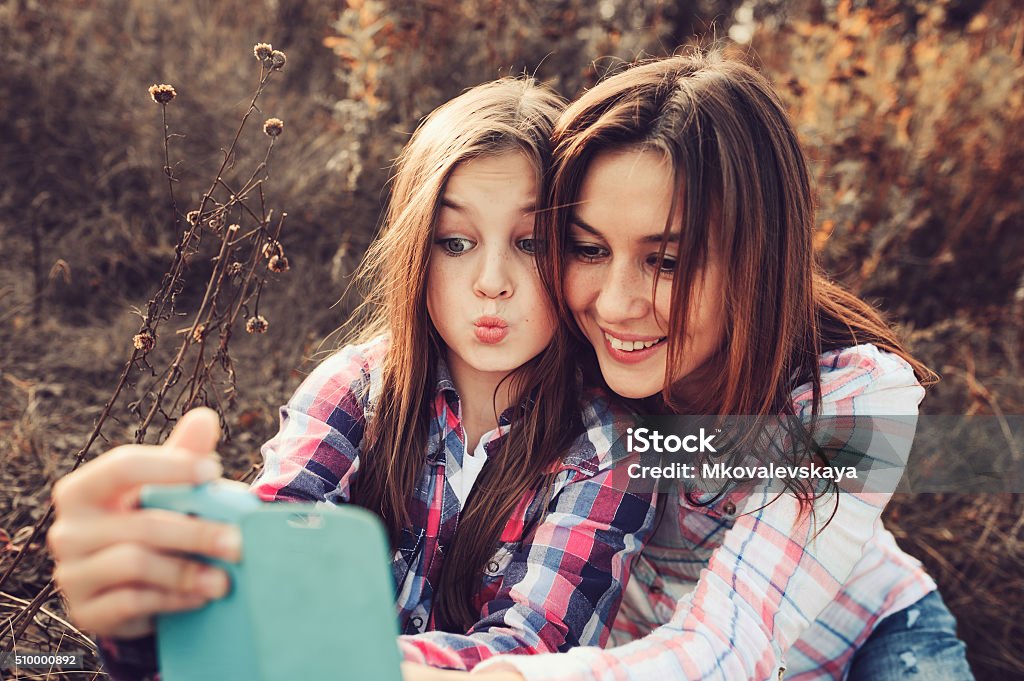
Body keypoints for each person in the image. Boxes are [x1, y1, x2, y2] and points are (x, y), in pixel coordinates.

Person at [47, 78, 657, 679]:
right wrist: (157, 601)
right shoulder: (355, 388)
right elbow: (268, 561)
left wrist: (330, 654)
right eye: (455, 242)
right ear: (415, 249)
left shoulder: (609, 449)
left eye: (531, 241)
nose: (491, 280)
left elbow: (531, 654)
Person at [454, 50, 975, 681]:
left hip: (869, 643)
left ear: (755, 257)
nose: (616, 304)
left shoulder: (855, 396)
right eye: (588, 249)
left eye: (667, 262)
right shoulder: (554, 362)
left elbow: (733, 641)